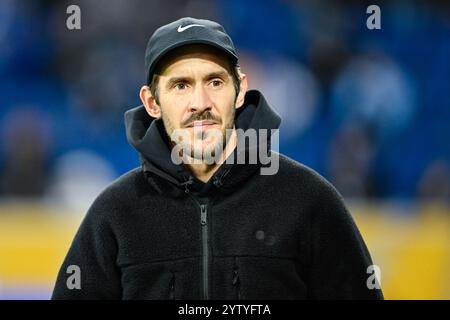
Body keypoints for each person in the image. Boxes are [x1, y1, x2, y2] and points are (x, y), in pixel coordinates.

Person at [52, 17, 383, 300]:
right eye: (180, 85)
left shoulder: (309, 200)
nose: (200, 102)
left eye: (214, 81)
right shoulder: (115, 213)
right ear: (152, 102)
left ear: (240, 90)